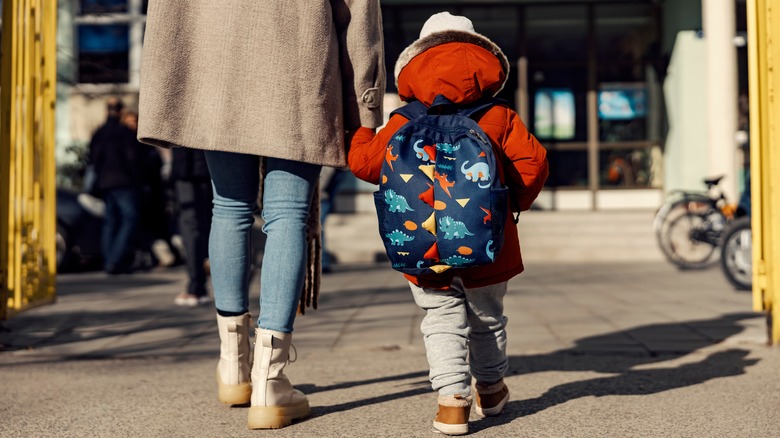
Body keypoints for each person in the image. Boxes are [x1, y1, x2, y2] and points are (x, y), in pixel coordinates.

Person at [137, 1, 385, 430]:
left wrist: (172, 75)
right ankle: (269, 379)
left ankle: (233, 368)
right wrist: (366, 104)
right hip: (297, 65)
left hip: (216, 67)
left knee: (228, 208)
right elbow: (360, 13)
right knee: (287, 215)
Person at [348, 12, 549, 435]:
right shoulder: (499, 116)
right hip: (490, 239)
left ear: (415, 66)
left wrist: (362, 133)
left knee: (440, 318)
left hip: (422, 244)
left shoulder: (404, 119)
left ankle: (451, 403)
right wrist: (514, 204)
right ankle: (491, 391)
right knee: (488, 316)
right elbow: (532, 166)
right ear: (483, 62)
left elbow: (365, 165)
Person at [88, 97, 145, 275]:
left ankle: (110, 260)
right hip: (124, 182)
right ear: (120, 111)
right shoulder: (124, 133)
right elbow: (133, 158)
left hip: (105, 183)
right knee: (130, 218)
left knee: (110, 221)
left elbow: (93, 159)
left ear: (107, 111)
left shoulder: (99, 133)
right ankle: (115, 259)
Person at [170, 147, 213, 307]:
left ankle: (196, 285)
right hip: (214, 162)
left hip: (189, 166)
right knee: (216, 219)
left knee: (191, 224)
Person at [319, 167, 350, 273]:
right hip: (323, 195)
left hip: (320, 196)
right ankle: (322, 262)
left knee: (317, 227)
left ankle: (322, 262)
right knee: (318, 228)